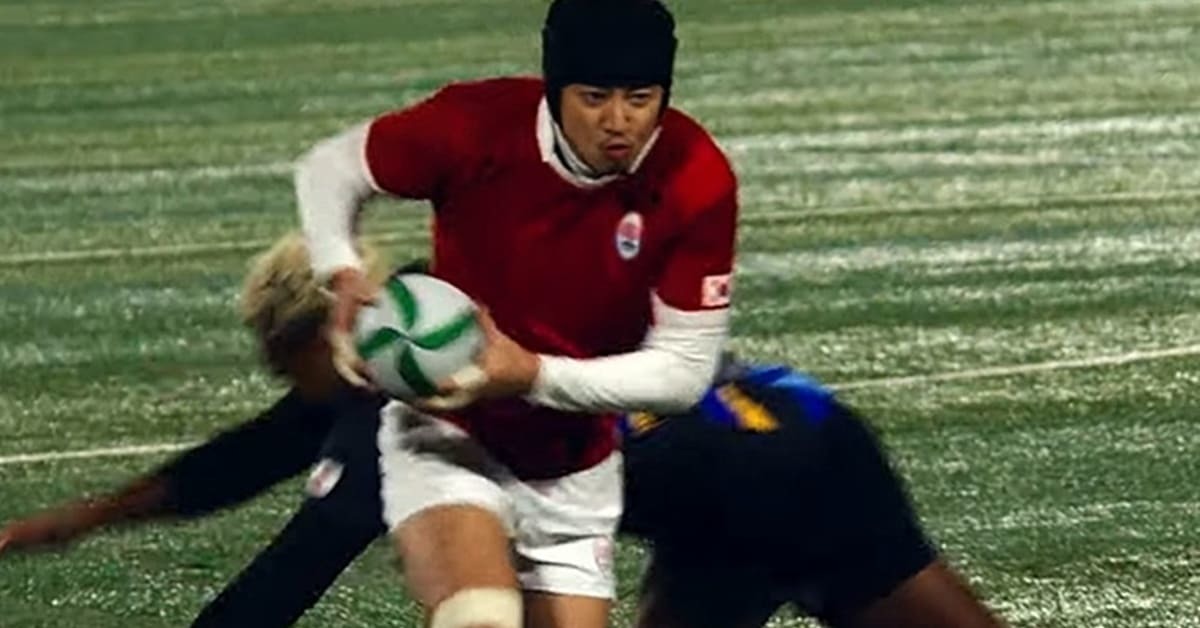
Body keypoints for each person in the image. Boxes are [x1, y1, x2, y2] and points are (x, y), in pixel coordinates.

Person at [1, 239, 1007, 628]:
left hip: (763, 479)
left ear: (316, 342)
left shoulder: (401, 402)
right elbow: (258, 450)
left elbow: (292, 567)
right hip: (787, 429)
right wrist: (84, 518)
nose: (280, 385)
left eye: (279, 360)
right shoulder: (436, 314)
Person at [295, 0, 738, 625]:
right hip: (447, 432)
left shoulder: (696, 176)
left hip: (576, 467)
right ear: (555, 91)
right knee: (482, 617)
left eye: (640, 99)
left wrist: (530, 374)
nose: (619, 121)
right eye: (594, 98)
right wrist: (340, 270)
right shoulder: (474, 126)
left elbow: (683, 372)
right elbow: (330, 169)